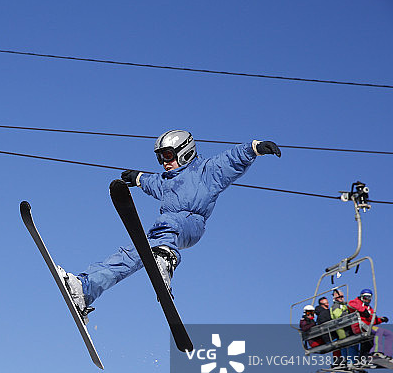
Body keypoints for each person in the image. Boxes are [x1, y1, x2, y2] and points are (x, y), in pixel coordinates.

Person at [56, 130, 281, 320]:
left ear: (185, 152)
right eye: (160, 158)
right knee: (130, 252)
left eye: (168, 155)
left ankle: (165, 260)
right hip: (162, 234)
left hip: (190, 225)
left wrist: (255, 147)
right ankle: (85, 289)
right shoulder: (165, 180)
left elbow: (231, 160)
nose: (164, 162)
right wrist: (137, 177)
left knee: (168, 221)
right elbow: (150, 181)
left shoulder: (207, 172)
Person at [348, 289, 392, 359]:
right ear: (362, 297)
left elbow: (372, 320)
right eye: (365, 298)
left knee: (389, 333)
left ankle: (388, 354)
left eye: (369, 298)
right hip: (359, 326)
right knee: (379, 331)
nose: (367, 300)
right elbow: (350, 304)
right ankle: (377, 351)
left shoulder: (369, 308)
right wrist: (363, 310)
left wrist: (381, 319)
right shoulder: (357, 302)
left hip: (368, 326)